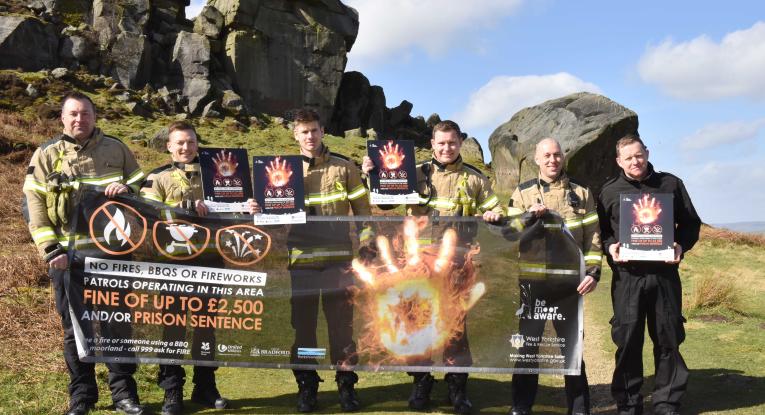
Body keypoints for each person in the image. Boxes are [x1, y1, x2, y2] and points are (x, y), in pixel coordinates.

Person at [362, 120, 504, 414]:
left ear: (460, 143)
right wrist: (371, 176)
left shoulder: (475, 179)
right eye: (441, 143)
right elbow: (386, 203)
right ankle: (421, 383)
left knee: (455, 327)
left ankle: (457, 388)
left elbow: (496, 207)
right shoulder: (414, 173)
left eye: (451, 142)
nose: (446, 148)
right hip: (417, 264)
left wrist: (493, 213)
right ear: (432, 144)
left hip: (455, 264)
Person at [22, 92, 146, 415]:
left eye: (86, 114)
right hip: (67, 259)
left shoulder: (117, 149)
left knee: (117, 325)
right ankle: (82, 397)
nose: (80, 120)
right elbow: (34, 207)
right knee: (75, 329)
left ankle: (124, 395)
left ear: (95, 116)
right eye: (73, 114)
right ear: (62, 118)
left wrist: (129, 191)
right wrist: (50, 251)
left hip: (114, 258)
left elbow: (144, 190)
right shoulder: (46, 155)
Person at [249, 108, 371, 412]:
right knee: (304, 328)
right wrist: (256, 209)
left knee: (341, 327)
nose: (310, 136)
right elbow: (270, 222)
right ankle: (307, 385)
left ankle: (346, 386)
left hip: (339, 263)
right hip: (301, 263)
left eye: (314, 130)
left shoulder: (345, 168)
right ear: (295, 135)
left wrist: (367, 246)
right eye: (304, 132)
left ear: (322, 131)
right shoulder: (279, 171)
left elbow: (364, 214)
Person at [597, 134, 701, 415]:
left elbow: (691, 223)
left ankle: (666, 402)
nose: (635, 161)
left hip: (664, 275)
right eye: (628, 157)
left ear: (647, 152)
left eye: (639, 154)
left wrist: (681, 244)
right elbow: (602, 231)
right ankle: (629, 403)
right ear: (619, 161)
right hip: (627, 278)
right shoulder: (608, 191)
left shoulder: (670, 184)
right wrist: (610, 247)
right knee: (628, 339)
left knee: (668, 338)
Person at [505, 138, 601, 415]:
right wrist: (526, 217)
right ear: (536, 159)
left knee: (572, 350)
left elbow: (593, 240)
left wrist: (593, 272)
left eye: (557, 155)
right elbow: (510, 234)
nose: (552, 160)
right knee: (527, 349)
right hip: (532, 285)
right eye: (546, 155)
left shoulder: (582, 194)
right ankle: (521, 406)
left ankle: (579, 408)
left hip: (570, 287)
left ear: (563, 157)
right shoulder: (521, 193)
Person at [139, 121, 229, 415]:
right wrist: (186, 208)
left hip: (210, 260)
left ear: (197, 143)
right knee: (173, 329)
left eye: (190, 142)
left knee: (206, 328)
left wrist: (248, 206)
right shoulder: (157, 177)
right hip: (173, 264)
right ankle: (172, 391)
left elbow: (233, 207)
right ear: (168, 146)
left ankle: (205, 386)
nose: (186, 148)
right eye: (179, 143)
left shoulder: (216, 174)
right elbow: (148, 215)